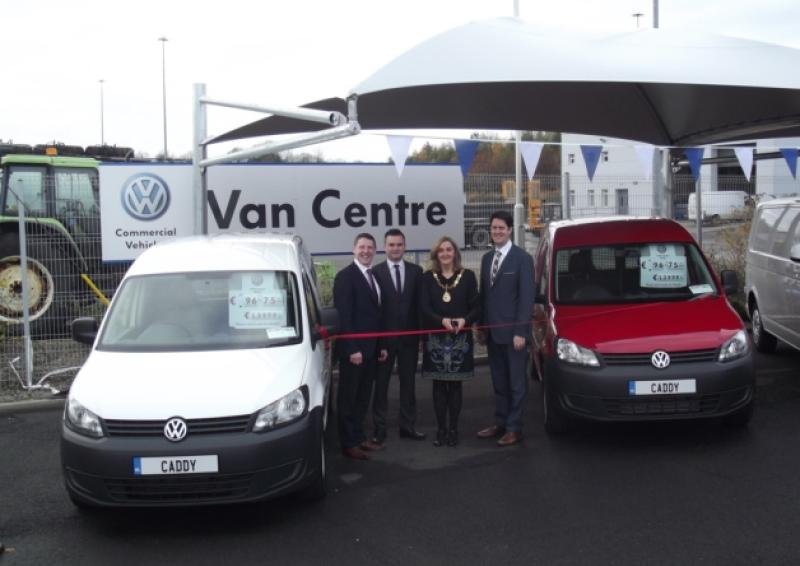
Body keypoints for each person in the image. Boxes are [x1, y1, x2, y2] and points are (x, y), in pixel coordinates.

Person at [477, 210, 534, 447]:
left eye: (501, 228)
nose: (497, 231)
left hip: (514, 336)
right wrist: (481, 327)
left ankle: (514, 428)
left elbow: (526, 299)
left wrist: (520, 331)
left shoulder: (522, 259)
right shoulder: (486, 259)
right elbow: (484, 296)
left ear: (510, 230)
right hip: (493, 334)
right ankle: (500, 422)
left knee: (516, 383)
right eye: (494, 228)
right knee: (499, 382)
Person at [420, 236, 480, 447]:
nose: (445, 253)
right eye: (441, 250)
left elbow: (476, 306)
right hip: (435, 339)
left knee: (455, 386)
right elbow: (424, 307)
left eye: (449, 249)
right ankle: (441, 430)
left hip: (459, 338)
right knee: (438, 385)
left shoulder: (468, 276)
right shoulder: (428, 278)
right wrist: (441, 321)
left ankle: (453, 429)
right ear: (436, 255)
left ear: (455, 253)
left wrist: (465, 320)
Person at [333, 233, 388, 460]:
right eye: (362, 247)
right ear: (354, 249)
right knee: (348, 398)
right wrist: (352, 348)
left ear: (375, 250)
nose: (366, 251)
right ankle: (348, 443)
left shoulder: (374, 276)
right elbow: (344, 316)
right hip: (354, 352)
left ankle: (359, 437)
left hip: (372, 350)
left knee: (363, 397)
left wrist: (381, 345)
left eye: (370, 247)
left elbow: (378, 315)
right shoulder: (345, 277)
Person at [371, 229, 426, 445]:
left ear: (405, 246)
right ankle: (379, 429)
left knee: (408, 385)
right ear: (384, 247)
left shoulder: (416, 271)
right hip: (384, 342)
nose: (395, 248)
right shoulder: (375, 273)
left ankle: (407, 426)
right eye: (391, 245)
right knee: (381, 386)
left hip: (409, 341)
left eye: (399, 244)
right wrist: (379, 341)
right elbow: (375, 310)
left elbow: (419, 306)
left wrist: (420, 337)